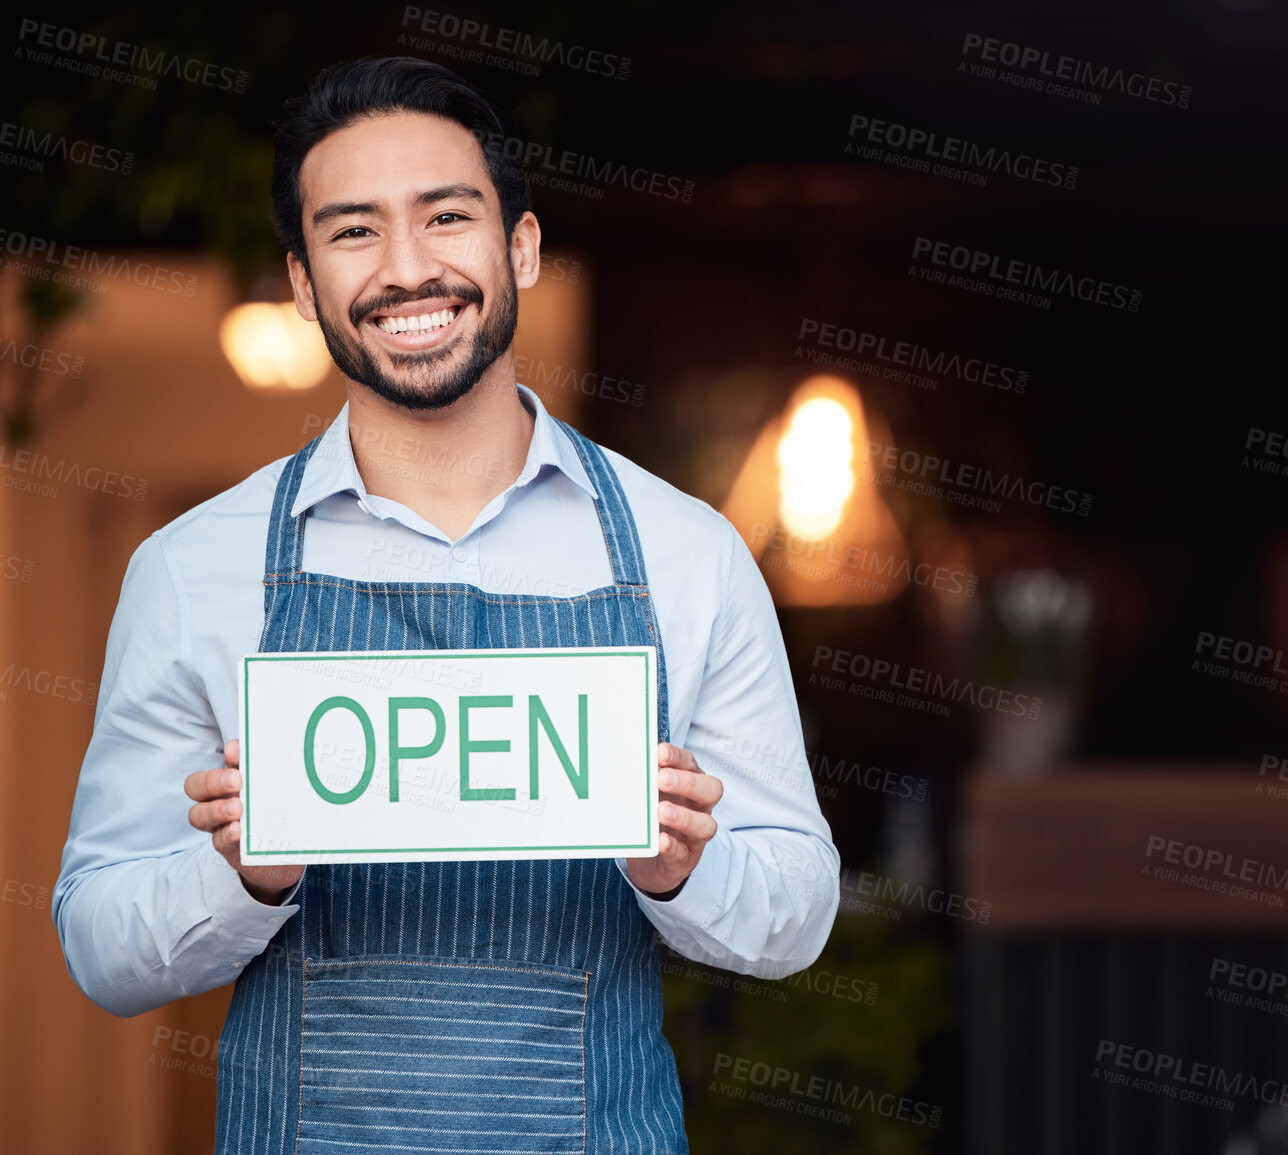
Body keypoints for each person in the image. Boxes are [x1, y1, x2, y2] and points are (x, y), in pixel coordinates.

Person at [51, 55, 839, 1154]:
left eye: (446, 217)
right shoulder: (194, 570)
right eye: (354, 231)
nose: (407, 269)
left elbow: (798, 908)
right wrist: (238, 872)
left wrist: (687, 869)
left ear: (520, 244)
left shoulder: (687, 555)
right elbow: (98, 943)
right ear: (302, 279)